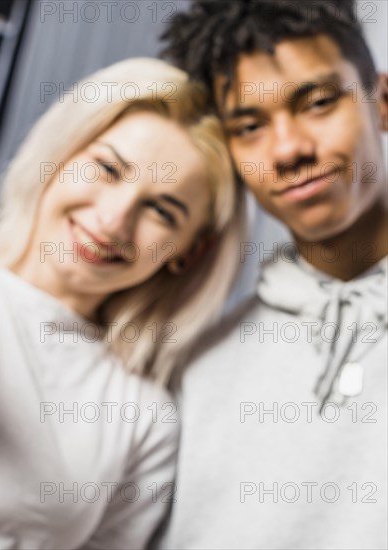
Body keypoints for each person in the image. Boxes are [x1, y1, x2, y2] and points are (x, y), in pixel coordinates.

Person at [0, 58, 244, 549]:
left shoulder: (145, 420)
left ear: (188, 252)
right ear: (62, 155)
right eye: (108, 168)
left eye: (162, 209)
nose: (114, 221)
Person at [157, 1, 388, 548]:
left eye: (319, 102)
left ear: (382, 101)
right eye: (250, 125)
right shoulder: (196, 365)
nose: (287, 150)